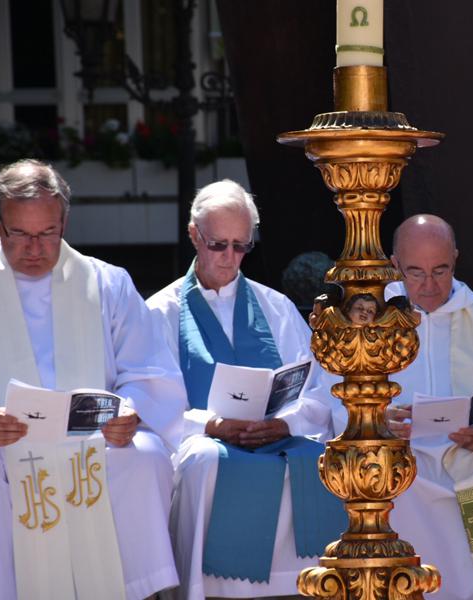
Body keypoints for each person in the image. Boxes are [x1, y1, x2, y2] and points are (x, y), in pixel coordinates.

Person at [0, 159, 186, 600]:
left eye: (47, 233)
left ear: (64, 223)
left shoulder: (108, 283)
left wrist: (129, 412)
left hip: (93, 441)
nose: (35, 248)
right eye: (21, 234)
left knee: (145, 458)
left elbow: (147, 371)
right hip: (2, 443)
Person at [325, 214, 473, 600]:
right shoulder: (367, 321)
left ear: (456, 261)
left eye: (440, 271)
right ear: (395, 266)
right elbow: (330, 394)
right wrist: (376, 419)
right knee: (388, 485)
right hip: (401, 454)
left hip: (472, 451)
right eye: (416, 273)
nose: (429, 287)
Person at [146, 179, 344, 600]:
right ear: (194, 235)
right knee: (203, 462)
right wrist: (214, 426)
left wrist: (283, 423)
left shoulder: (276, 308)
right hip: (207, 441)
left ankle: (312, 586)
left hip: (275, 435)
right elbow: (154, 405)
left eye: (242, 246)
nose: (231, 258)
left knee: (321, 461)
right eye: (219, 245)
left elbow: (319, 392)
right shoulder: (161, 312)